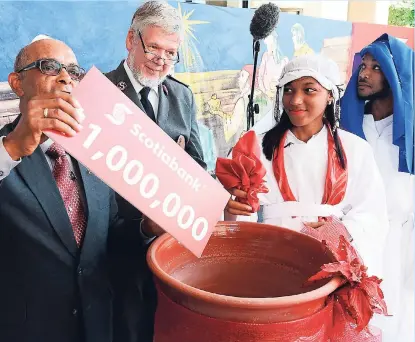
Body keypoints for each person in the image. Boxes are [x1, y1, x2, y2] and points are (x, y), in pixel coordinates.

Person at [0, 37, 148, 342]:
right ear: (17, 83)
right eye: (50, 67)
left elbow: (110, 233)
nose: (66, 77)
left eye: (74, 71)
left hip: (97, 326)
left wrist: (149, 226)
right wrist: (14, 146)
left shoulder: (96, 151)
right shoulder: (7, 151)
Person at [223, 54, 389, 278]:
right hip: (267, 258)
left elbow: (373, 213)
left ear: (330, 95)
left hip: (329, 260)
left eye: (309, 90)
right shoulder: (254, 146)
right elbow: (238, 215)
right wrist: (231, 210)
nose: (295, 100)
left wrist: (341, 230)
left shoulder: (355, 149)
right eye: (289, 90)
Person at [106, 0, 206, 235]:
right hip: (111, 242)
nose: (161, 60)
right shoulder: (100, 92)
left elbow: (198, 167)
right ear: (131, 40)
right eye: (153, 47)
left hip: (169, 236)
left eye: (170, 53)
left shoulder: (183, 96)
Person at [341, 33, 414, 342]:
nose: (365, 73)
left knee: (393, 318)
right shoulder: (345, 126)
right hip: (350, 241)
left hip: (398, 246)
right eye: (363, 65)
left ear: (396, 76)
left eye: (376, 67)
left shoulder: (407, 134)